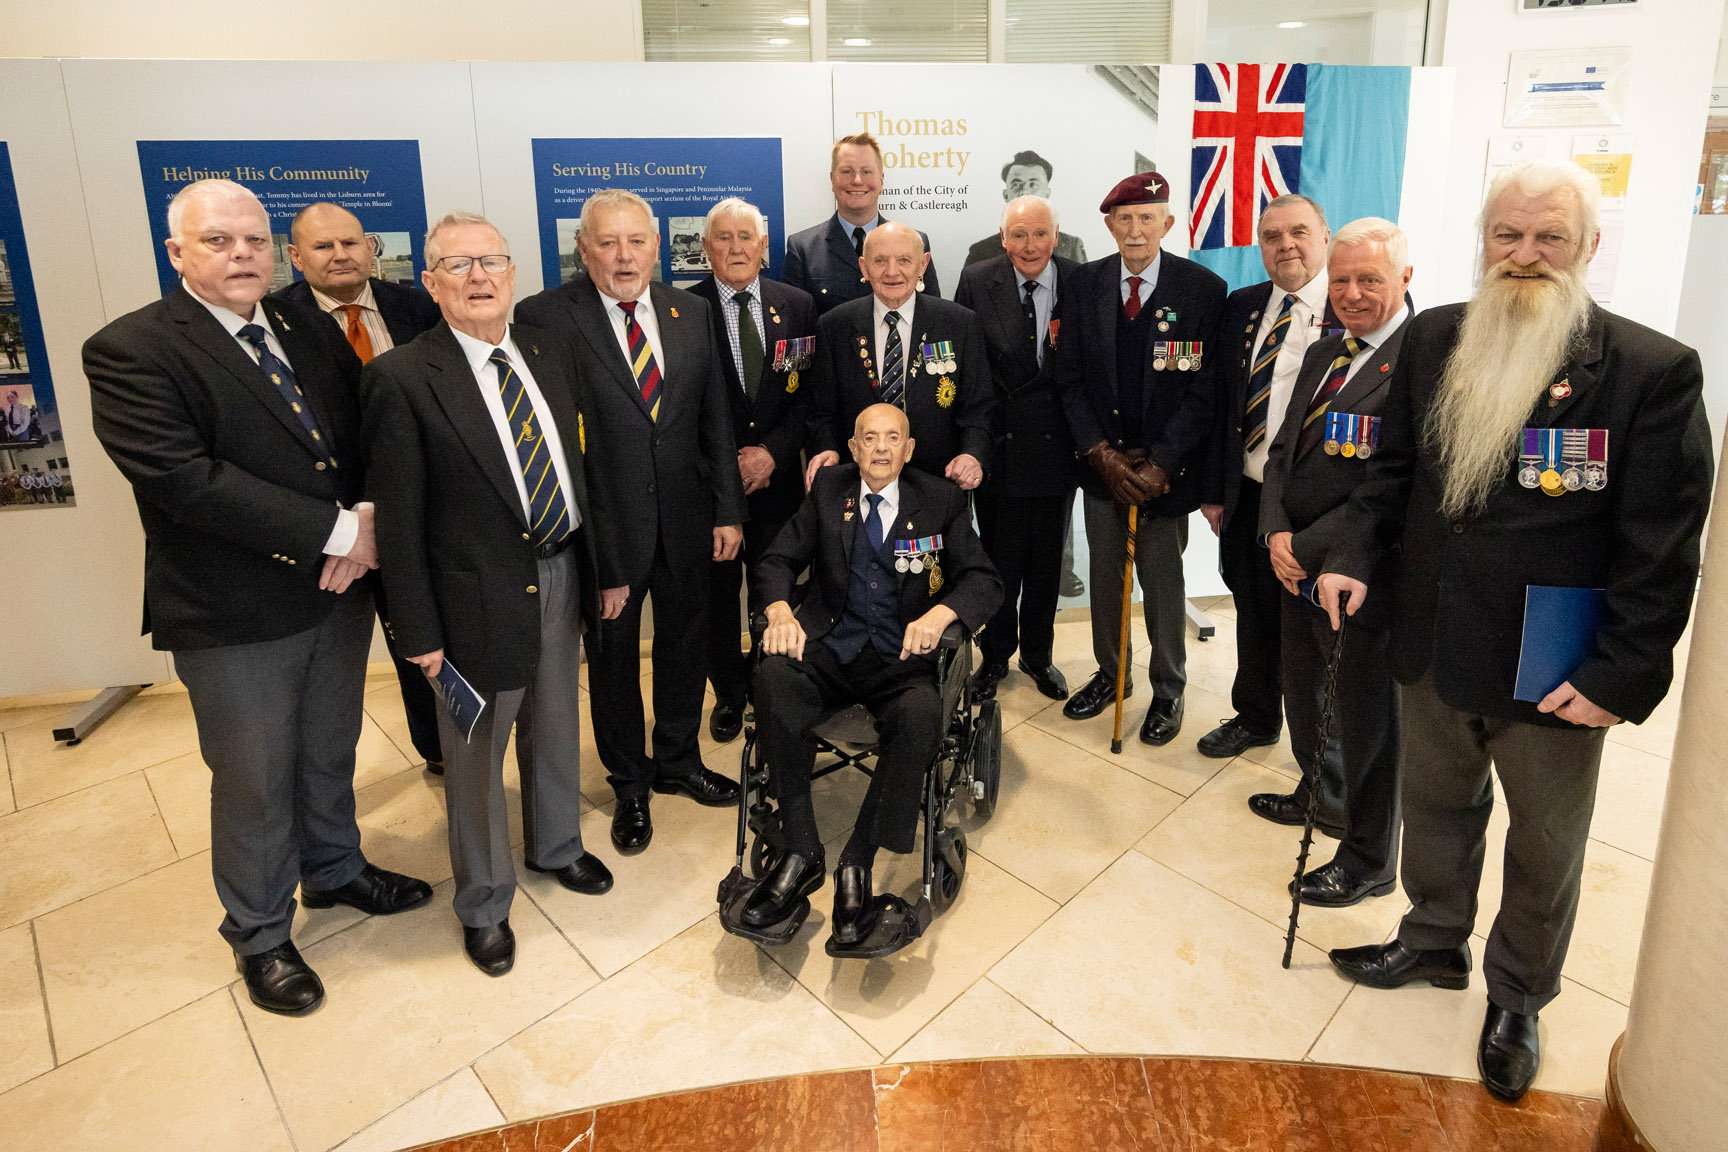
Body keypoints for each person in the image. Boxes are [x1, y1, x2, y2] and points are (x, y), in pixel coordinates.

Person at [1317, 161, 1712, 1103]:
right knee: (1436, 808)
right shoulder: (1436, 338)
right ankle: (1434, 938)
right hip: (1431, 638)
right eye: (1508, 235)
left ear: (1588, 248)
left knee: (1544, 840)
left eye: (1549, 238)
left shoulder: (1650, 371)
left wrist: (1620, 673)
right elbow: (1391, 474)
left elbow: (1661, 547)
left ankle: (1519, 995)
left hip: (1555, 662)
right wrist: (1353, 554)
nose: (1525, 254)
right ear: (1483, 240)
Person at [83, 179, 431, 1016]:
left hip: (335, 592)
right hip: (233, 610)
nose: (241, 255)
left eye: (252, 241)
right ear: (177, 252)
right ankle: (261, 932)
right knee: (255, 779)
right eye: (217, 241)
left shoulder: (300, 324)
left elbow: (355, 436)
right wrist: (338, 532)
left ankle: (335, 869)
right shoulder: (131, 349)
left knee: (328, 748)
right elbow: (184, 480)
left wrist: (367, 520)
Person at [362, 211, 617, 976]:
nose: (479, 277)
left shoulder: (547, 349)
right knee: (475, 754)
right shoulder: (403, 378)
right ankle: (483, 902)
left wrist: (603, 569)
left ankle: (557, 845)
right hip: (469, 598)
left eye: (492, 262)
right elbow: (399, 524)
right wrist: (417, 632)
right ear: (431, 282)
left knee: (556, 719)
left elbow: (583, 468)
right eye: (458, 264)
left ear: (512, 274)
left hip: (560, 569)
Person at [515, 189, 746, 857]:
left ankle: (677, 759)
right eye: (608, 242)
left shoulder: (690, 311)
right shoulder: (545, 317)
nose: (624, 256)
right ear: (582, 249)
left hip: (687, 519)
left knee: (685, 644)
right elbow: (553, 443)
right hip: (605, 531)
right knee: (613, 662)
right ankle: (629, 782)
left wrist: (728, 509)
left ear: (656, 245)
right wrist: (597, 549)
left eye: (636, 241)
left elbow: (713, 418)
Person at [744, 403, 1002, 952]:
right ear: (853, 448)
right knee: (772, 678)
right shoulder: (828, 490)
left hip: (900, 662)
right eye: (869, 438)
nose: (881, 448)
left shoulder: (941, 500)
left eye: (892, 438)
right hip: (830, 647)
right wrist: (780, 610)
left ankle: (857, 861)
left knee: (922, 715)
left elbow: (984, 579)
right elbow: (776, 561)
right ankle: (802, 848)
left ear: (909, 450)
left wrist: (942, 614)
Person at [1258, 217, 1413, 910]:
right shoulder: (1327, 351)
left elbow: (1396, 484)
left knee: (1366, 718)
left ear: (1404, 278)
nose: (1350, 294)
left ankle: (1369, 858)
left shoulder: (1417, 360)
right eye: (1342, 280)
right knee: (1304, 692)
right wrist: (1273, 530)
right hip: (1293, 564)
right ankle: (1320, 794)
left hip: (1359, 575)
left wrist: (1305, 546)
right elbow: (1282, 452)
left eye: (1368, 280)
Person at [268, 200, 447, 774]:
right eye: (322, 246)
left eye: (350, 242)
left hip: (419, 507)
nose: (339, 255)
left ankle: (441, 753)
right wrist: (354, 517)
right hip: (332, 524)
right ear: (295, 256)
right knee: (329, 674)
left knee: (425, 641)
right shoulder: (276, 322)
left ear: (371, 247)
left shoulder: (419, 307)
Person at [1059, 172, 1227, 744]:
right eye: (1124, 219)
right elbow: (1069, 380)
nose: (1135, 230)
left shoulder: (1203, 289)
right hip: (1103, 468)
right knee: (1107, 580)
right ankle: (1112, 675)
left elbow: (1205, 390)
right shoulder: (1084, 283)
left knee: (1161, 584)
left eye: (1146, 218)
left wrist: (1161, 463)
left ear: (1167, 224)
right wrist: (1099, 454)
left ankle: (1168, 688)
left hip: (1164, 475)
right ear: (1110, 226)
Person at [1198, 194, 1332, 760]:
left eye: (1298, 232)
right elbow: (1220, 402)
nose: (1286, 246)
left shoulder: (1351, 304)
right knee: (1251, 610)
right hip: (1248, 492)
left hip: (1316, 503)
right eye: (1272, 237)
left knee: (1310, 626)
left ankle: (1321, 755)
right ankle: (1255, 716)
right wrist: (1214, 490)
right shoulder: (1244, 305)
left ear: (1324, 237)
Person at [686, 197, 819, 744]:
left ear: (764, 247)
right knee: (717, 601)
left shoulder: (798, 305)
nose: (736, 248)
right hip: (711, 490)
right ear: (706, 248)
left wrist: (772, 453)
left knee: (776, 589)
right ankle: (729, 693)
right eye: (724, 238)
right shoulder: (683, 310)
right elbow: (679, 409)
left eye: (747, 238)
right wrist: (727, 465)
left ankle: (771, 688)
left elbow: (808, 396)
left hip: (778, 484)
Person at [954, 195, 1079, 702]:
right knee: (1000, 561)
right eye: (1019, 235)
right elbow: (966, 367)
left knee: (1047, 562)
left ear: (1056, 237)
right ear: (1003, 239)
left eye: (1040, 234)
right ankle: (995, 656)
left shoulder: (1079, 280)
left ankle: (1039, 656)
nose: (1030, 245)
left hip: (1058, 448)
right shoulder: (976, 280)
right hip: (1001, 448)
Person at [804, 222, 990, 492]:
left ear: (923, 264)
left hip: (938, 485)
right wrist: (827, 449)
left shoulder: (960, 324)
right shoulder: (834, 326)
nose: (892, 272)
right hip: (856, 485)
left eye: (904, 260)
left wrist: (972, 455)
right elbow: (822, 411)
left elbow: (978, 408)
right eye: (880, 261)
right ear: (864, 267)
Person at [783, 133, 942, 315]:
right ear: (832, 179)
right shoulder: (803, 249)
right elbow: (796, 322)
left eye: (866, 171)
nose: (857, 180)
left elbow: (933, 317)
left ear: (881, 180)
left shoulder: (916, 242)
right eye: (846, 171)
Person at [962, 151, 1088, 267]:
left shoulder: (1071, 248)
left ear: (1046, 194)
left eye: (1033, 184)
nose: (1024, 191)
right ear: (1006, 195)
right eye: (1016, 185)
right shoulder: (980, 252)